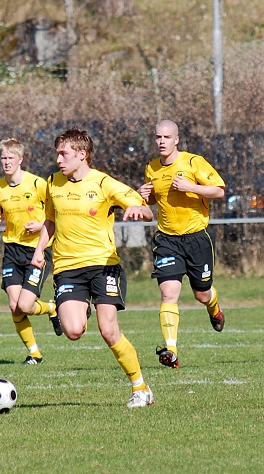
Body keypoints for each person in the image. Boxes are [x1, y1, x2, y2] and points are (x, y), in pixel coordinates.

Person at [31, 128, 155, 408]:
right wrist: (39, 251)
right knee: (73, 331)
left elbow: (145, 208)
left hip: (103, 266)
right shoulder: (52, 183)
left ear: (81, 154)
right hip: (67, 268)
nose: (59, 159)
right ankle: (80, 306)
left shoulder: (103, 183)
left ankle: (140, 387)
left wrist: (138, 211)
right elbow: (49, 222)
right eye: (58, 153)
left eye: (64, 153)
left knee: (108, 330)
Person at [137, 119, 226, 370]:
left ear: (176, 139)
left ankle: (213, 306)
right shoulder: (152, 168)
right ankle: (171, 349)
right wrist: (146, 196)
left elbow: (219, 191)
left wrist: (191, 187)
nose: (161, 142)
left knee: (201, 293)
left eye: (166, 137)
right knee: (168, 293)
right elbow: (155, 201)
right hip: (167, 240)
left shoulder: (192, 162)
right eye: (157, 137)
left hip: (197, 237)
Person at [0, 138, 61, 365]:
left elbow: (55, 215)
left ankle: (52, 308)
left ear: (21, 159)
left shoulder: (38, 184)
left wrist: (40, 226)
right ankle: (34, 353)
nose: (6, 162)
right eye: (3, 158)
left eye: (11, 158)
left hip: (37, 250)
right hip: (12, 250)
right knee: (14, 306)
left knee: (25, 306)